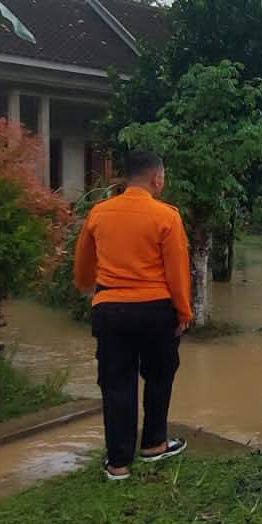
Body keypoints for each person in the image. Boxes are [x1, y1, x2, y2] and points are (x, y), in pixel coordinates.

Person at [72, 150, 191, 481]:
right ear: (157, 179)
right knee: (159, 376)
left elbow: (83, 267)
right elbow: (177, 272)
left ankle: (118, 463)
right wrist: (184, 312)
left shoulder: (99, 212)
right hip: (156, 311)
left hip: (111, 309)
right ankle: (154, 443)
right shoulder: (166, 216)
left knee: (116, 383)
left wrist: (87, 289)